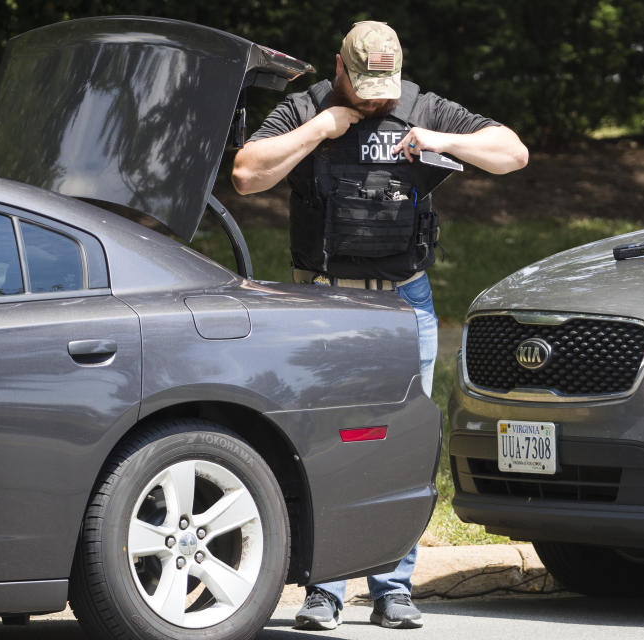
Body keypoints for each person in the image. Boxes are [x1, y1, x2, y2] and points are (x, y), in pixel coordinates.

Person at [232, 20, 528, 630]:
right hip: (322, 302)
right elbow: (246, 174)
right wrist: (321, 130)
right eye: (363, 84)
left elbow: (513, 153)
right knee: (323, 441)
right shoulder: (305, 109)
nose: (375, 96)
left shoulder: (422, 106)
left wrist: (435, 137)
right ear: (339, 69)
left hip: (404, 304)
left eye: (383, 84)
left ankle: (394, 587)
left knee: (398, 443)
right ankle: (324, 588)